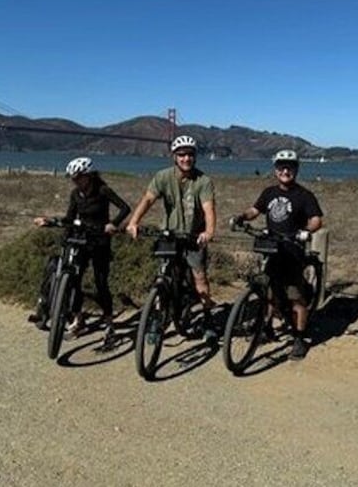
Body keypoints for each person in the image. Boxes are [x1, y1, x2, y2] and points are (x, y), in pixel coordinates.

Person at [229, 149, 323, 360]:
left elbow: (316, 219)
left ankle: (299, 338)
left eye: (289, 166)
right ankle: (267, 328)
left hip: (292, 251)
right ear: (275, 170)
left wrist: (306, 231)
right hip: (271, 247)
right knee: (269, 290)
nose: (285, 170)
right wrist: (242, 217)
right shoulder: (269, 192)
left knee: (295, 296)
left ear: (296, 169)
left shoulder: (304, 195)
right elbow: (255, 210)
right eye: (281, 166)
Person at [30, 156, 131, 346]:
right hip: (81, 240)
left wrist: (113, 224)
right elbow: (70, 218)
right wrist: (51, 223)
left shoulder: (103, 190)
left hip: (100, 241)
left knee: (101, 283)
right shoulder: (75, 194)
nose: (75, 180)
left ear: (89, 175)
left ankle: (109, 322)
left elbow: (125, 208)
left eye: (78, 177)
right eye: (72, 178)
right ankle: (78, 319)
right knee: (73, 280)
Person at [125, 135, 218, 339]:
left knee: (199, 277)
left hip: (194, 237)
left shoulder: (203, 181)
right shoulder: (163, 177)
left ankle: (208, 317)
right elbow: (148, 199)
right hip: (170, 235)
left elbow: (208, 208)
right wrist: (134, 222)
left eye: (190, 154)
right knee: (163, 276)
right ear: (174, 157)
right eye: (181, 154)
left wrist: (209, 231)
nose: (186, 158)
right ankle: (158, 319)